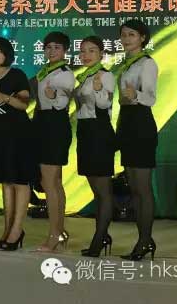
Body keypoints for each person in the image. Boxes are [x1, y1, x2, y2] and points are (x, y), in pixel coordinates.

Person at [0, 37, 37, 251]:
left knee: (20, 182)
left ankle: (16, 230)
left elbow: (24, 104)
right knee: (5, 182)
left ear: (6, 54)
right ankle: (7, 229)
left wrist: (4, 97)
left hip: (19, 135)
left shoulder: (16, 75)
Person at [116, 19, 159, 261]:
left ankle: (144, 241)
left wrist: (136, 95)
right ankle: (143, 239)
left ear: (142, 38)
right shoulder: (126, 64)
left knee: (143, 188)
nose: (126, 39)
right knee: (133, 187)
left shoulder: (147, 63)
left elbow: (151, 98)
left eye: (132, 34)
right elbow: (123, 99)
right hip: (127, 124)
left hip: (142, 125)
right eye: (123, 35)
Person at [73, 36, 116, 257]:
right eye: (82, 51)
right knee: (96, 191)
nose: (86, 55)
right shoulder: (84, 76)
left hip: (99, 132)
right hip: (86, 132)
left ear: (101, 54)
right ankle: (102, 235)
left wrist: (98, 89)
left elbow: (104, 104)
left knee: (103, 190)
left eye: (91, 50)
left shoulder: (105, 75)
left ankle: (99, 239)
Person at [34, 31, 75, 252]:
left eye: (57, 47)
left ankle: (54, 235)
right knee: (54, 183)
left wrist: (52, 97)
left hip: (55, 125)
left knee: (50, 184)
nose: (52, 51)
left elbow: (61, 104)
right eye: (48, 47)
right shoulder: (45, 71)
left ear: (65, 50)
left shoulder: (65, 74)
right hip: (43, 124)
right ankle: (60, 231)